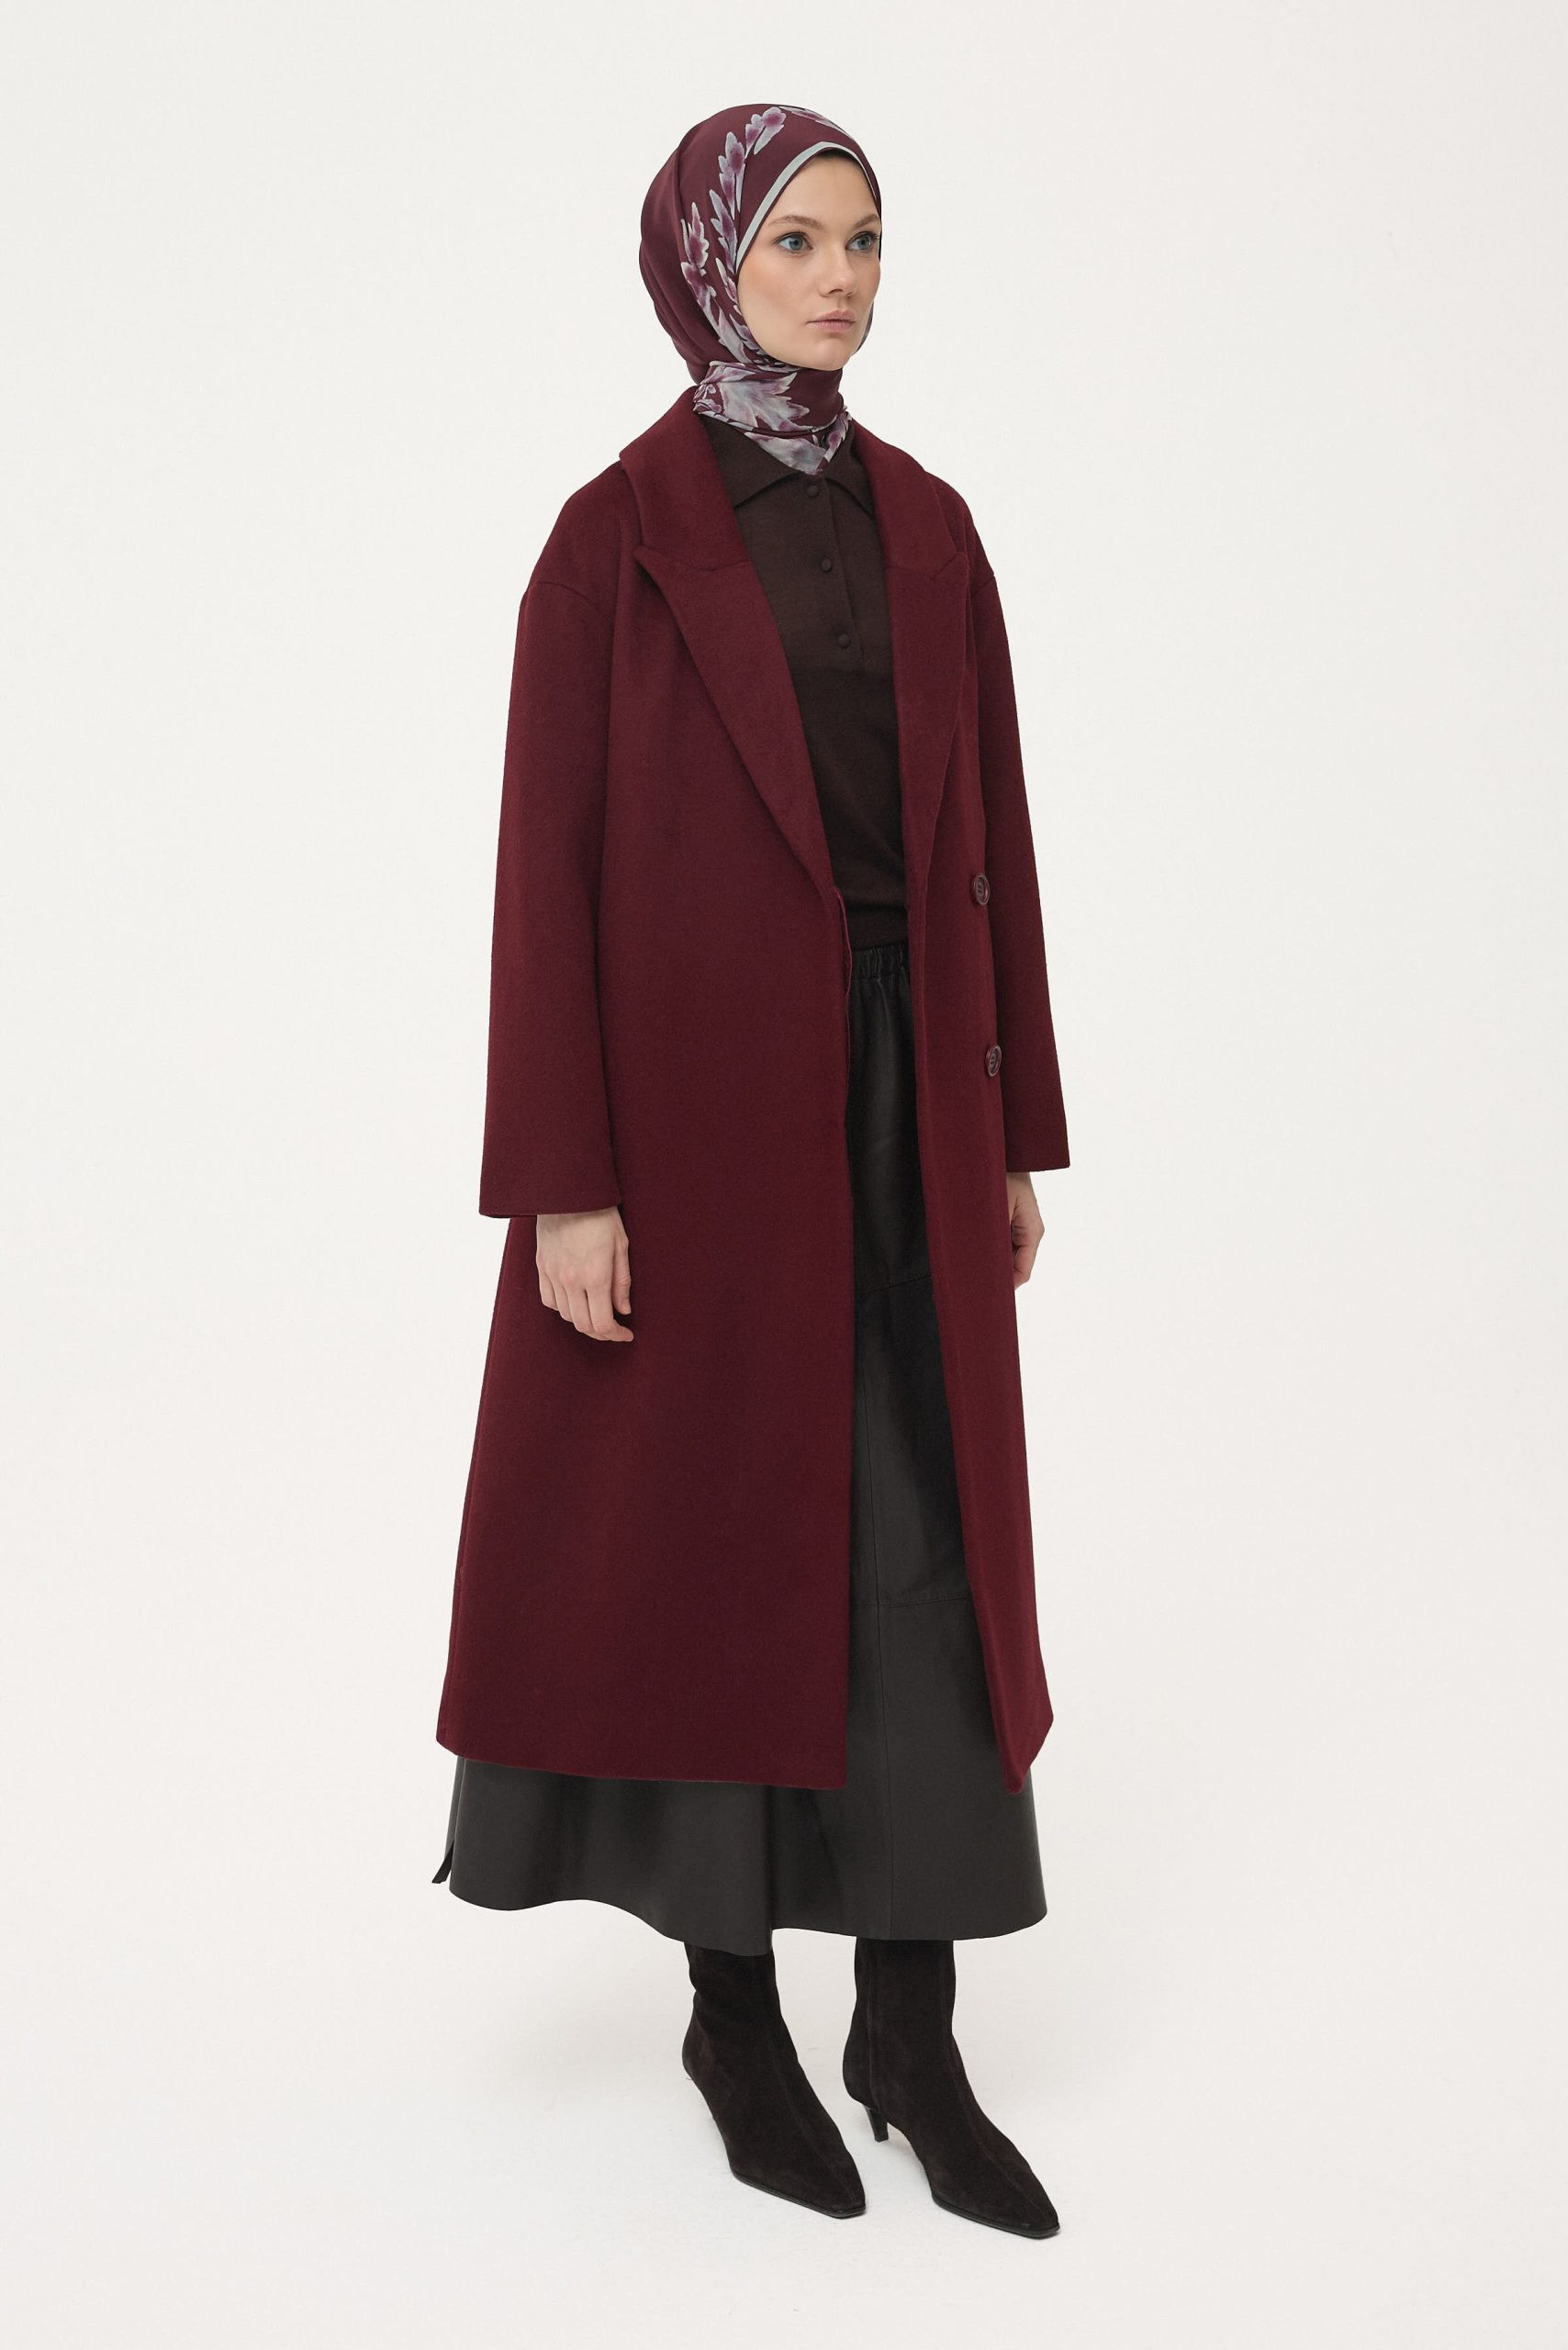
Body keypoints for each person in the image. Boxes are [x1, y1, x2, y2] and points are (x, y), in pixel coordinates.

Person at [432, 103, 1070, 2239]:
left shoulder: (932, 526)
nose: (839, 280)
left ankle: (912, 2030)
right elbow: (542, 876)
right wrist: (564, 1180)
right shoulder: (610, 537)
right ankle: (731, 2015)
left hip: (911, 1091)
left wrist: (1009, 1124)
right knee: (726, 1542)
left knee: (922, 1536)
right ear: (706, 260)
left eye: (863, 240)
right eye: (795, 240)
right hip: (696, 1119)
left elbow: (991, 848)